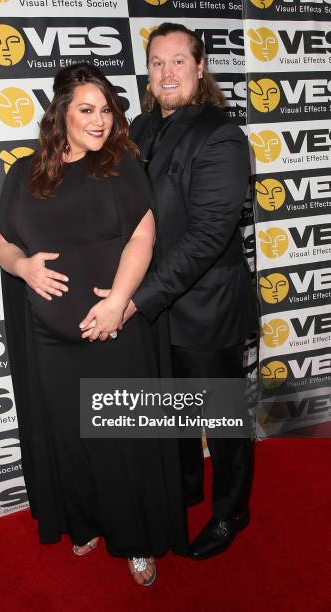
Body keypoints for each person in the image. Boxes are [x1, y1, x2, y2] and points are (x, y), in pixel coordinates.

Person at [0, 62, 188, 586]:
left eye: (106, 110)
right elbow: (4, 243)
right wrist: (23, 266)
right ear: (61, 114)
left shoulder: (121, 165)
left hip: (113, 330)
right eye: (87, 110)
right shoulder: (24, 171)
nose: (100, 120)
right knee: (71, 440)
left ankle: (138, 539)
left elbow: (143, 238)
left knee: (123, 440)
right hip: (49, 339)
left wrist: (119, 300)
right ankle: (85, 522)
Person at [90, 23, 258, 560]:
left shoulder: (220, 134)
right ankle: (185, 487)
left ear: (200, 67)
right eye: (157, 62)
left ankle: (232, 511)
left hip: (205, 307)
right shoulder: (139, 124)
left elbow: (209, 236)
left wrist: (135, 298)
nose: (166, 72)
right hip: (158, 305)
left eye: (178, 61)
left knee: (223, 419)